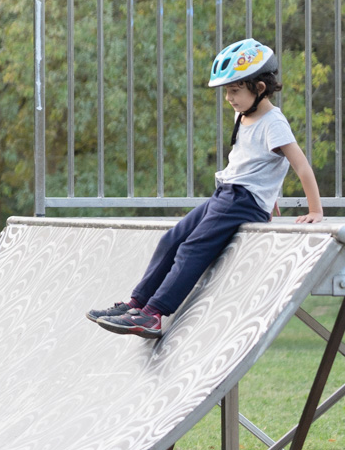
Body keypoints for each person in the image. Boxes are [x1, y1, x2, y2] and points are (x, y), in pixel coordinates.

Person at [91, 38, 323, 339]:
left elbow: (300, 165)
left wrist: (314, 209)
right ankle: (138, 303)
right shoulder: (243, 113)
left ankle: (154, 314)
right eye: (227, 91)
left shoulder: (273, 123)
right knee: (171, 240)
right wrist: (272, 195)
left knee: (192, 248)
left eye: (234, 91)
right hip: (227, 193)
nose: (229, 98)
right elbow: (257, 162)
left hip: (243, 200)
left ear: (260, 88)